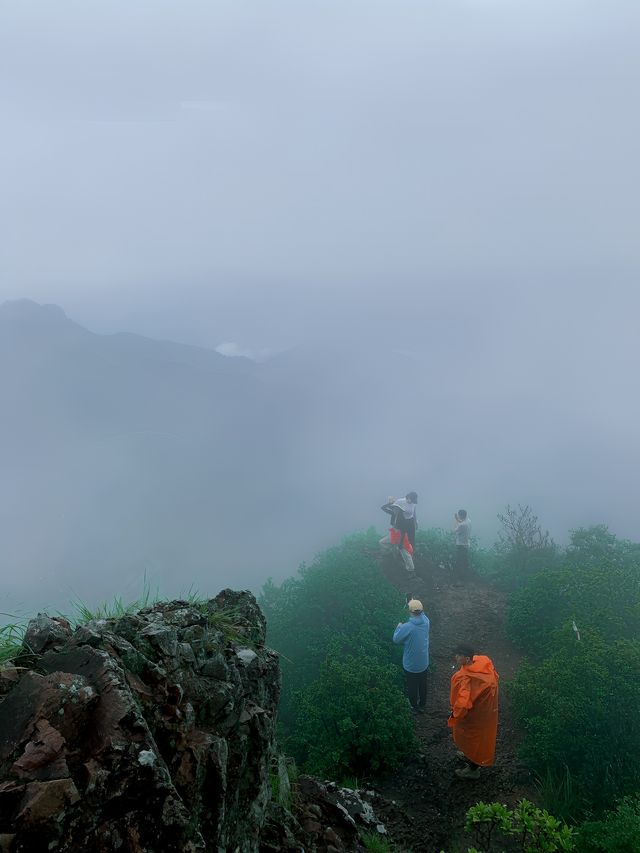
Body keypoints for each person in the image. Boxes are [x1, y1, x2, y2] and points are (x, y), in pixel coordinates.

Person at [448, 644, 499, 779]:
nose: (456, 657)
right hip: (486, 712)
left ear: (468, 658)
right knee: (478, 738)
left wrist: (455, 714)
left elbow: (463, 704)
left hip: (475, 716)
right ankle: (469, 755)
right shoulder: (482, 663)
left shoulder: (467, 679)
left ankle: (473, 770)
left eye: (459, 655)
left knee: (473, 738)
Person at [393, 598, 430, 714]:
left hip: (411, 664)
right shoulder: (426, 621)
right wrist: (412, 601)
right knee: (422, 683)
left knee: (412, 685)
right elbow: (421, 614)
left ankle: (414, 706)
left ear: (410, 612)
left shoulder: (407, 627)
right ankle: (422, 704)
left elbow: (396, 639)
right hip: (424, 662)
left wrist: (398, 627)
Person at [380, 495, 416, 575]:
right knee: (383, 542)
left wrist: (401, 541)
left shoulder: (402, 517)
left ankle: (411, 569)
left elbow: (403, 530)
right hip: (394, 532)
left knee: (404, 551)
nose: (393, 509)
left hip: (401, 534)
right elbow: (383, 508)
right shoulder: (394, 514)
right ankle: (394, 557)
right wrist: (390, 503)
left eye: (395, 508)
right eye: (393, 508)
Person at [452, 509, 471, 584]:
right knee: (465, 562)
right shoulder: (468, 521)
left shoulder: (462, 525)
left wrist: (456, 521)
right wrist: (458, 520)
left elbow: (454, 530)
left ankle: (461, 581)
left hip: (461, 545)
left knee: (460, 563)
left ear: (461, 516)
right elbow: (462, 522)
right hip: (466, 544)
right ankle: (466, 579)